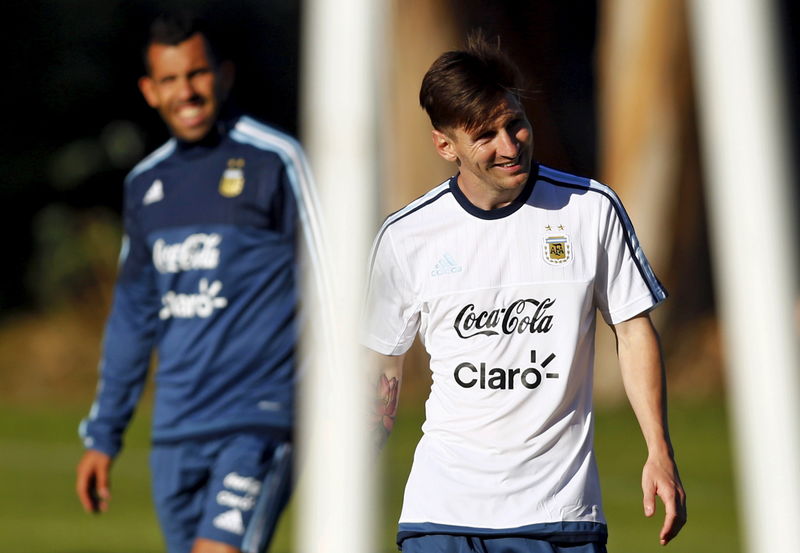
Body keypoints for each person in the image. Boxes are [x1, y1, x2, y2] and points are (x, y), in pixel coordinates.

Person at [365, 35, 687, 553]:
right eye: (485, 135)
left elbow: (632, 330)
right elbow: (382, 363)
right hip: (441, 515)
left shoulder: (589, 209)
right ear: (445, 146)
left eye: (515, 123)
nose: (510, 146)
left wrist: (659, 451)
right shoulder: (406, 236)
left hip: (558, 515)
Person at [75, 12, 323, 553]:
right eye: (170, 80)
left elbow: (333, 281)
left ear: (224, 75)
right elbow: (132, 320)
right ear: (149, 90)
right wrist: (104, 435)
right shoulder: (145, 185)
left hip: (258, 419)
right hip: (176, 430)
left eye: (197, 74)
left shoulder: (275, 160)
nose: (186, 92)